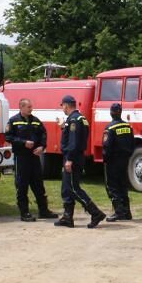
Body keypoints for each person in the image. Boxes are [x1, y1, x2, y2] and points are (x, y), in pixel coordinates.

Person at [54, 95, 106, 228]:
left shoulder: (73, 120)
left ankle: (95, 213)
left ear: (66, 105)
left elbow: (74, 142)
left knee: (73, 188)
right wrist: (62, 127)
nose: (63, 109)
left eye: (63, 106)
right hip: (76, 156)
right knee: (66, 188)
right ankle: (67, 217)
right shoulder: (80, 119)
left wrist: (69, 159)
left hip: (72, 157)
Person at [5, 98, 58, 222]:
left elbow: (43, 134)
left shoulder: (35, 121)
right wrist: (23, 143)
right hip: (21, 157)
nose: (31, 109)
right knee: (22, 185)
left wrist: (42, 146)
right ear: (21, 107)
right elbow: (8, 137)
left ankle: (43, 211)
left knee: (38, 184)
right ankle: (25, 213)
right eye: (28, 107)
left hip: (34, 157)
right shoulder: (14, 121)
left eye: (31, 107)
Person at [103, 103, 134, 222]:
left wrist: (105, 160)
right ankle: (127, 212)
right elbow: (132, 144)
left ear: (111, 113)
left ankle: (118, 212)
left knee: (112, 187)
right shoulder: (128, 126)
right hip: (125, 160)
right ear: (120, 112)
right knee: (123, 186)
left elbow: (106, 146)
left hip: (113, 161)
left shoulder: (110, 128)